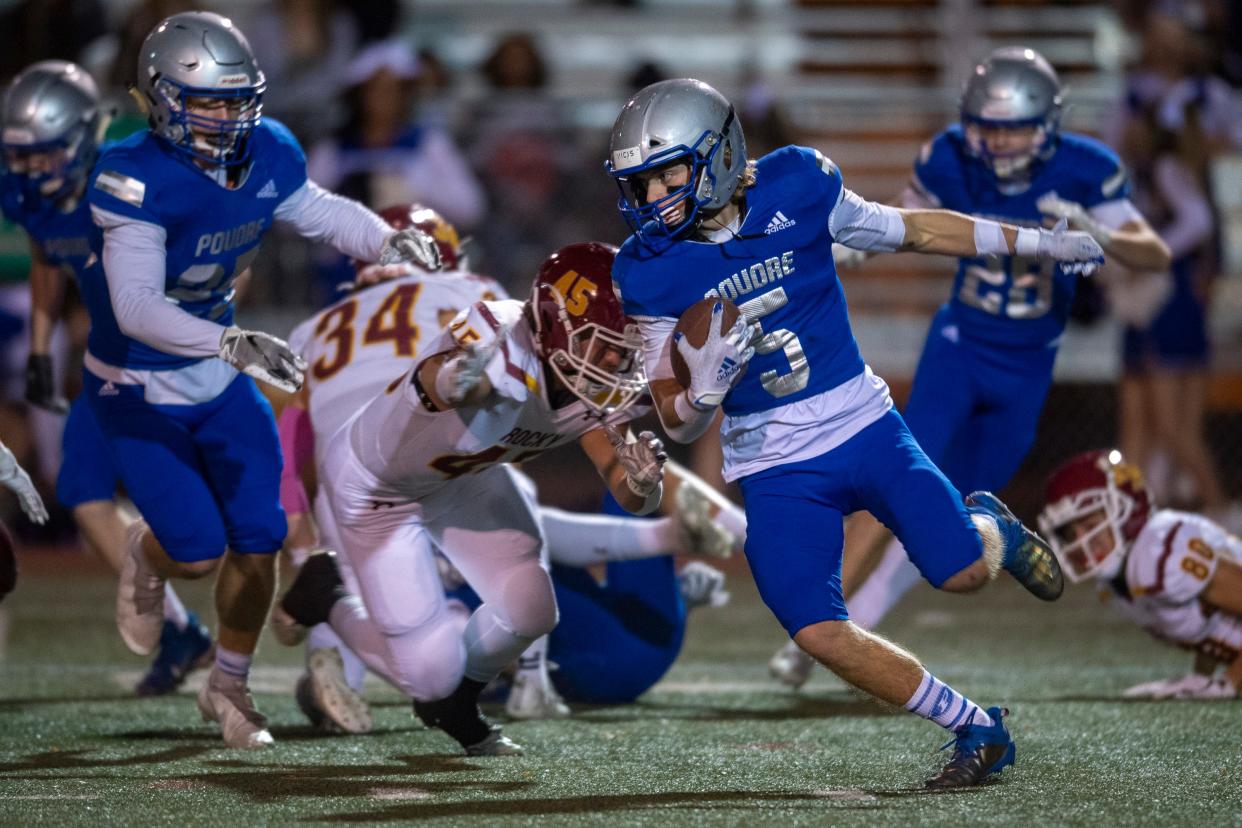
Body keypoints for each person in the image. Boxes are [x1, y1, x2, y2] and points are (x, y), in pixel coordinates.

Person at [604, 76, 1106, 788]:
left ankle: (993, 529)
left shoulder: (799, 185)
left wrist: (1040, 245)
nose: (653, 199)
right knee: (814, 628)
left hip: (863, 424)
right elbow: (676, 415)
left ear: (718, 154)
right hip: (773, 463)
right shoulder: (646, 270)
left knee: (962, 571)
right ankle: (975, 726)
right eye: (640, 185)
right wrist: (705, 392)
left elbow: (918, 230)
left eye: (666, 176)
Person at [84, 11, 441, 749]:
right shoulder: (131, 174)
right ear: (158, 99)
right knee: (196, 550)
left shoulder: (269, 150)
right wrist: (233, 341)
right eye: (207, 101)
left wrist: (388, 239)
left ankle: (229, 687)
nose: (226, 116)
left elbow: (314, 212)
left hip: (217, 376)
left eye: (237, 98)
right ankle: (146, 555)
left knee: (261, 535)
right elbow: (136, 308)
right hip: (139, 384)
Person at [769, 47, 1172, 687]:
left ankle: (851, 620)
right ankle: (821, 626)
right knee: (892, 484)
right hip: (958, 349)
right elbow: (906, 218)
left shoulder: (1087, 169)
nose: (996, 141)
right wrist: (850, 253)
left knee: (952, 510)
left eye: (1012, 126)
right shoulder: (949, 156)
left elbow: (1153, 254)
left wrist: (1097, 227)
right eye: (986, 125)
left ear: (1047, 123)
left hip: (1028, 365)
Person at [275, 205, 738, 732]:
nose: (613, 363)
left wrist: (643, 485)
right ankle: (330, 601)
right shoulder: (496, 325)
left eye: (621, 351)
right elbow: (432, 378)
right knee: (429, 669)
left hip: (461, 473)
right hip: (380, 486)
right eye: (601, 347)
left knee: (531, 605)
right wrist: (456, 382)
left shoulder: (590, 372)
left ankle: (453, 697)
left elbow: (621, 477)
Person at [0, 60, 213, 696]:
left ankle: (320, 611)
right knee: (83, 489)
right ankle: (178, 630)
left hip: (175, 358)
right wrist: (42, 347)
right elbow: (46, 250)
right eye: (22, 157)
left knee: (226, 520)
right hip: (107, 359)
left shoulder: (130, 180)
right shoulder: (32, 193)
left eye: (43, 156)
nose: (30, 171)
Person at [1038, 449, 1242, 699]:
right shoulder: (1116, 584)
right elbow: (1210, 621)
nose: (1081, 542)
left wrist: (1229, 682)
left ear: (1127, 510)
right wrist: (1203, 678)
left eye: (1091, 526)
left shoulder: (1161, 553)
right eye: (1071, 534)